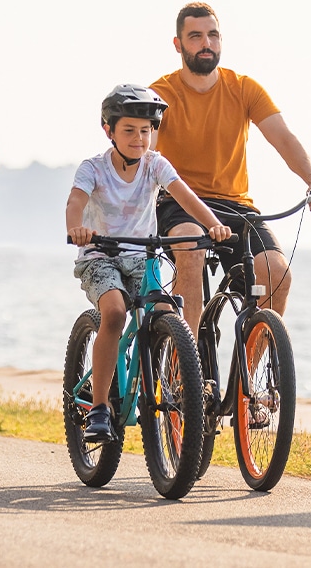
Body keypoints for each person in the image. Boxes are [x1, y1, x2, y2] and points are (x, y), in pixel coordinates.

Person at [150, 2, 311, 337]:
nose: (206, 43)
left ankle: (250, 382)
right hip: (181, 203)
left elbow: (283, 138)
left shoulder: (243, 88)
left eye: (213, 35)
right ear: (178, 45)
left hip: (235, 207)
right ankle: (185, 375)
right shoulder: (161, 95)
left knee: (277, 274)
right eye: (195, 36)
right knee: (190, 251)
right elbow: (142, 153)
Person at [65, 84, 232, 443]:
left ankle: (170, 383)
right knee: (113, 313)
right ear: (108, 130)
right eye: (129, 130)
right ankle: (98, 408)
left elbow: (186, 197)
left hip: (143, 256)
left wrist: (213, 224)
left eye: (146, 131)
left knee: (165, 311)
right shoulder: (93, 168)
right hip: (100, 255)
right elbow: (75, 202)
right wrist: (76, 229)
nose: (139, 139)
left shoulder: (155, 164)